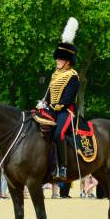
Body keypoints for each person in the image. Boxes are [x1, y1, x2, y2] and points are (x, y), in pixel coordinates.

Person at [41, 17, 80, 179]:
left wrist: (58, 105)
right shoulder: (55, 75)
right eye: (57, 58)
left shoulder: (73, 76)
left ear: (68, 61)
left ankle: (63, 167)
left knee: (58, 135)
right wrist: (44, 103)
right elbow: (49, 93)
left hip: (66, 112)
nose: (57, 60)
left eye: (61, 58)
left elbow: (69, 98)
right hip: (52, 109)